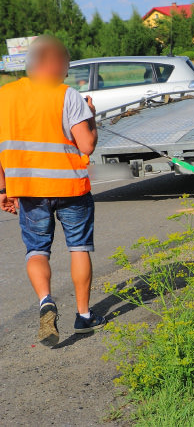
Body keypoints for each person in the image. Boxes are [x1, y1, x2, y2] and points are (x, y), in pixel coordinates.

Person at [0, 35, 105, 347]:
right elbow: (86, 144)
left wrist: (3, 188)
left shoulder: (5, 96)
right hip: (70, 186)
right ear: (55, 63)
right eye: (65, 66)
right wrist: (92, 116)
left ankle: (45, 301)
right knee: (79, 247)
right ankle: (84, 316)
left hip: (28, 188)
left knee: (36, 250)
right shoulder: (67, 96)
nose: (66, 73)